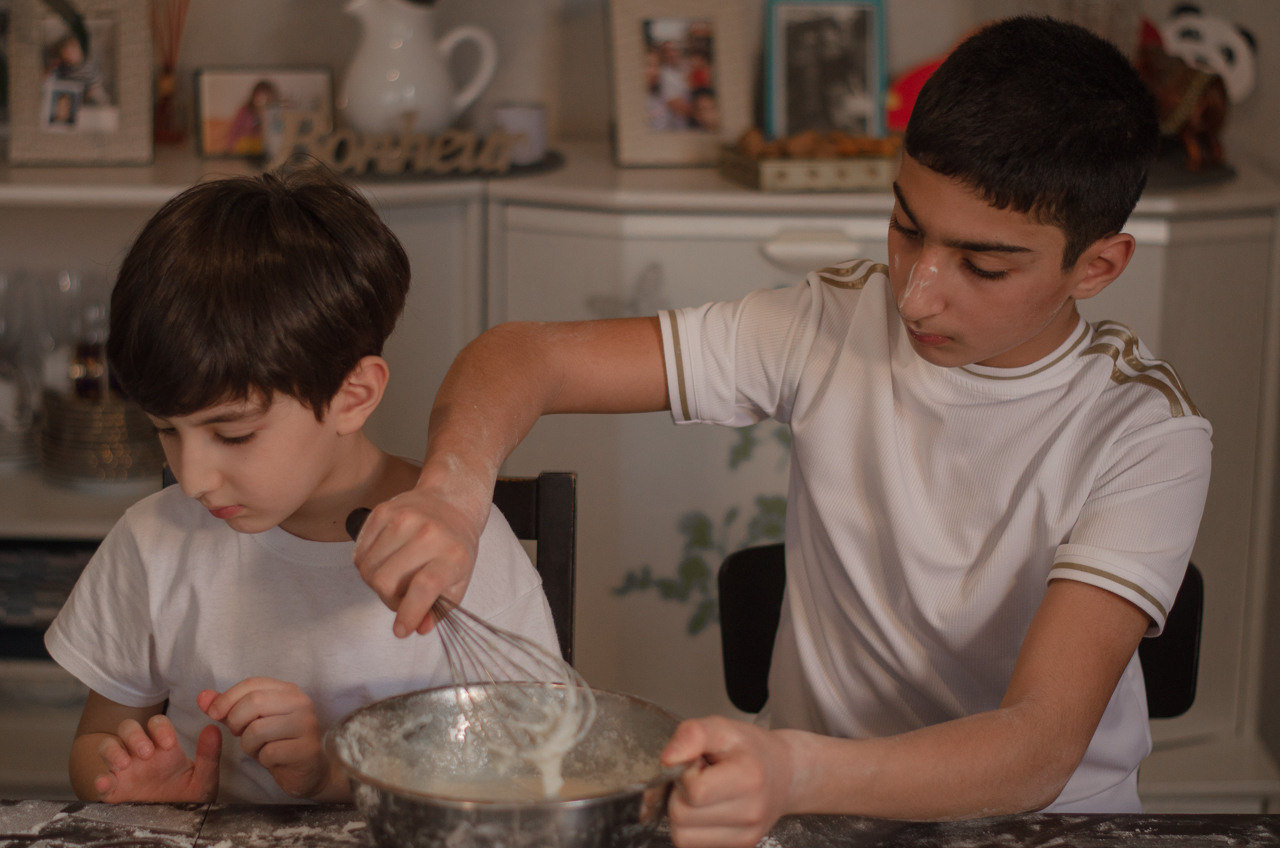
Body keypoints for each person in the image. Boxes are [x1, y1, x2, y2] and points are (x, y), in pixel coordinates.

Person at [350, 15, 1210, 847]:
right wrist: (454, 494)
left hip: (1049, 826)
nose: (915, 293)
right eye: (906, 227)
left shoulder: (1145, 436)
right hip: (820, 819)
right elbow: (523, 358)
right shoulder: (826, 324)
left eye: (982, 264)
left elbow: (1037, 748)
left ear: (1097, 265)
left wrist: (796, 771)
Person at [43, 163, 559, 805]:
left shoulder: (457, 548)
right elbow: (95, 743)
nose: (193, 477)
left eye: (232, 435)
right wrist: (133, 780)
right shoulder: (154, 543)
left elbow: (537, 764)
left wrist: (333, 773)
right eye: (164, 431)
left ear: (353, 396)